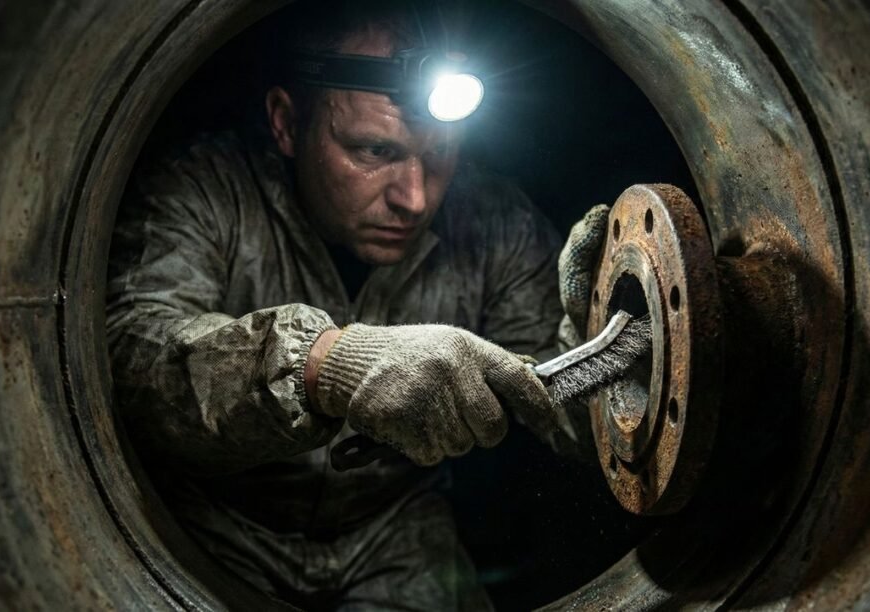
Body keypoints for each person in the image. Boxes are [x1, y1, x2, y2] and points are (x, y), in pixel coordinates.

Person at [106, 1, 607, 609]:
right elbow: (136, 360)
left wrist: (596, 342)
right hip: (216, 522)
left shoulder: (493, 224)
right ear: (287, 123)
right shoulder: (206, 193)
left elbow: (565, 414)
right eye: (374, 151)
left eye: (441, 154)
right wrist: (327, 363)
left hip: (394, 527)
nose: (415, 197)